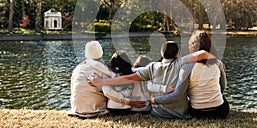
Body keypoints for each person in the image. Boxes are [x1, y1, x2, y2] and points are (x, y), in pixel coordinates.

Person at [88, 41, 216, 118]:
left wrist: (101, 82)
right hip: (180, 113)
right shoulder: (180, 63)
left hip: (158, 113)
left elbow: (128, 78)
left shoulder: (152, 67)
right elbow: (203, 53)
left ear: (162, 54)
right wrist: (218, 62)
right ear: (177, 54)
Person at [151, 30, 230, 119]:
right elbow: (223, 87)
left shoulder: (186, 67)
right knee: (222, 98)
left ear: (192, 47)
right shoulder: (218, 63)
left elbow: (177, 95)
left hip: (198, 112)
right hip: (220, 112)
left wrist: (154, 100)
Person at [68, 41, 145, 118]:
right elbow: (109, 90)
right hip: (95, 109)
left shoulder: (77, 68)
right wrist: (130, 102)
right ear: (101, 53)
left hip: (76, 108)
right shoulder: (103, 70)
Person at [106, 51, 173, 115]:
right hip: (145, 108)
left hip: (131, 108)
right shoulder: (144, 73)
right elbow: (151, 86)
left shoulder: (126, 74)